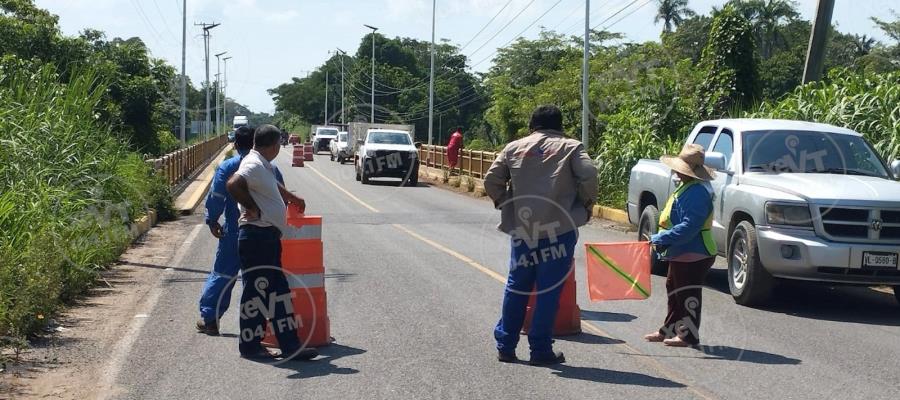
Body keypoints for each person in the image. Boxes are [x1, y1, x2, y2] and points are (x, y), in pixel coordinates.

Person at [484, 105, 598, 365]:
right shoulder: (571, 147)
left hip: (524, 231)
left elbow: (492, 180)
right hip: (560, 228)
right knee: (548, 290)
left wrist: (505, 203)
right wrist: (585, 205)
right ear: (559, 126)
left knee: (517, 287)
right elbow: (589, 174)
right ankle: (540, 350)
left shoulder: (514, 148)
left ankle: (506, 346)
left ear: (531, 126)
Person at [226, 124, 317, 361]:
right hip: (256, 237)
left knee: (277, 293)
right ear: (274, 145)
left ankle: (289, 346)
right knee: (258, 294)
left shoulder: (260, 164)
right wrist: (252, 207)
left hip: (265, 237)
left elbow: (268, 184)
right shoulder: (253, 164)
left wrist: (290, 196)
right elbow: (233, 184)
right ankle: (252, 346)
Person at [196, 126, 285, 336]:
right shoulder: (269, 168)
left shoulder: (228, 167)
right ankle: (258, 330)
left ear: (235, 145)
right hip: (262, 234)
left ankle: (210, 319)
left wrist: (212, 220)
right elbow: (279, 202)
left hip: (234, 233)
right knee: (257, 281)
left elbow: (216, 196)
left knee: (223, 274)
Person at [645, 144, 717, 348]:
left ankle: (688, 336)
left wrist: (661, 238)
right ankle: (668, 330)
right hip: (683, 251)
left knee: (687, 294)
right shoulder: (688, 187)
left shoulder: (696, 193)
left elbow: (689, 227)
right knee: (675, 291)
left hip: (695, 251)